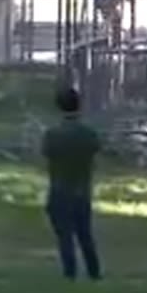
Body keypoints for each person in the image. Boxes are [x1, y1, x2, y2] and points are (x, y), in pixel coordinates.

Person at [42, 86, 103, 281]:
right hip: (82, 190)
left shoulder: (53, 135)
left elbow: (47, 154)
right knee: (85, 234)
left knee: (65, 236)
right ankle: (94, 271)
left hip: (60, 189)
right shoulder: (88, 133)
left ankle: (70, 272)